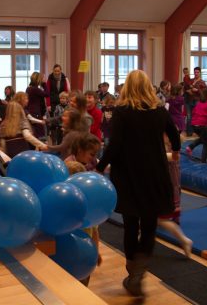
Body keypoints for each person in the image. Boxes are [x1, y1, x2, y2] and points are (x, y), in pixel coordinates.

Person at [95, 70, 180, 298]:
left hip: (129, 174)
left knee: (131, 225)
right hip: (155, 173)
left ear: (127, 88)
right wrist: (177, 152)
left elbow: (115, 145)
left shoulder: (122, 112)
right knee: (150, 224)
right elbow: (175, 135)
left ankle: (133, 271)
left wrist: (100, 166)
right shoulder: (160, 111)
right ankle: (139, 270)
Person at [64, 159, 102, 286]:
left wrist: (96, 252)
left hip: (83, 255)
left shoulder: (87, 207)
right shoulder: (65, 206)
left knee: (81, 283)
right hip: (72, 253)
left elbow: (95, 231)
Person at [158, 135, 192, 258]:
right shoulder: (169, 152)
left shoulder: (170, 154)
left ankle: (184, 240)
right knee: (150, 217)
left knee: (161, 219)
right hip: (166, 190)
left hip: (165, 191)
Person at [26, 72, 49, 140]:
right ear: (38, 80)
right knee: (40, 135)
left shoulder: (29, 88)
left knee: (35, 133)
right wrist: (44, 84)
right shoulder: (35, 89)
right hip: (36, 113)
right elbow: (47, 94)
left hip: (31, 111)